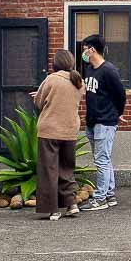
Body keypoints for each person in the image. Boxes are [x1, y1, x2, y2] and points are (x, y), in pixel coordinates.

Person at [32, 50, 86, 220]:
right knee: (66, 169)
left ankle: (53, 209)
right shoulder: (79, 82)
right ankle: (71, 204)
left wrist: (38, 97)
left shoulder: (51, 79)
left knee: (48, 170)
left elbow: (39, 102)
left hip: (49, 131)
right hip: (69, 131)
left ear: (55, 64)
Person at [78, 34, 126, 211]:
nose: (83, 52)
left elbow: (120, 95)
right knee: (103, 160)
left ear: (92, 49)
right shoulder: (89, 69)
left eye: (85, 49)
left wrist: (117, 113)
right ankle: (109, 195)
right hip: (92, 121)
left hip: (105, 122)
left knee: (101, 161)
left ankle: (100, 199)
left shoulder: (109, 70)